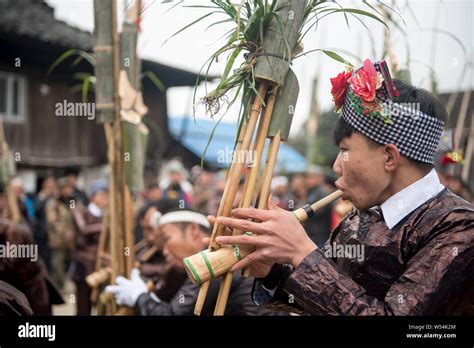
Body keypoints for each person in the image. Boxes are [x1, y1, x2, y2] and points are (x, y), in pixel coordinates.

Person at [212, 59, 474, 315]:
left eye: (344, 150)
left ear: (389, 157)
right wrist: (271, 270)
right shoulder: (363, 214)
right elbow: (320, 300)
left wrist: (302, 253)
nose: (337, 166)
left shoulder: (459, 228)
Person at [105, 209, 283, 315]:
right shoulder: (193, 264)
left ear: (192, 231)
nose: (165, 251)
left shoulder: (215, 261)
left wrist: (139, 298)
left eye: (167, 239)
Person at [71, 178, 108, 315]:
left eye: (106, 195)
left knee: (102, 306)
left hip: (103, 267)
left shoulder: (107, 215)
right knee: (83, 307)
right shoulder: (80, 211)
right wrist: (106, 225)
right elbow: (84, 229)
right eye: (102, 195)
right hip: (84, 267)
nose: (105, 198)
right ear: (93, 197)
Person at [45, 177, 75, 289]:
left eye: (69, 188)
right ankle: (58, 289)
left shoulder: (70, 202)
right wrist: (66, 232)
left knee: (67, 264)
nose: (67, 191)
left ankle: (63, 286)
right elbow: (52, 222)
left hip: (70, 242)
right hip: (57, 241)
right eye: (65, 188)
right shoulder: (53, 204)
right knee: (57, 266)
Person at [304, 165, 333, 247]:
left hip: (320, 235)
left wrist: (301, 211)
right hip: (312, 233)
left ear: (319, 178)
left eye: (311, 177)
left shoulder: (322, 192)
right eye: (308, 177)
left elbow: (316, 210)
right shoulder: (312, 191)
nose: (308, 180)